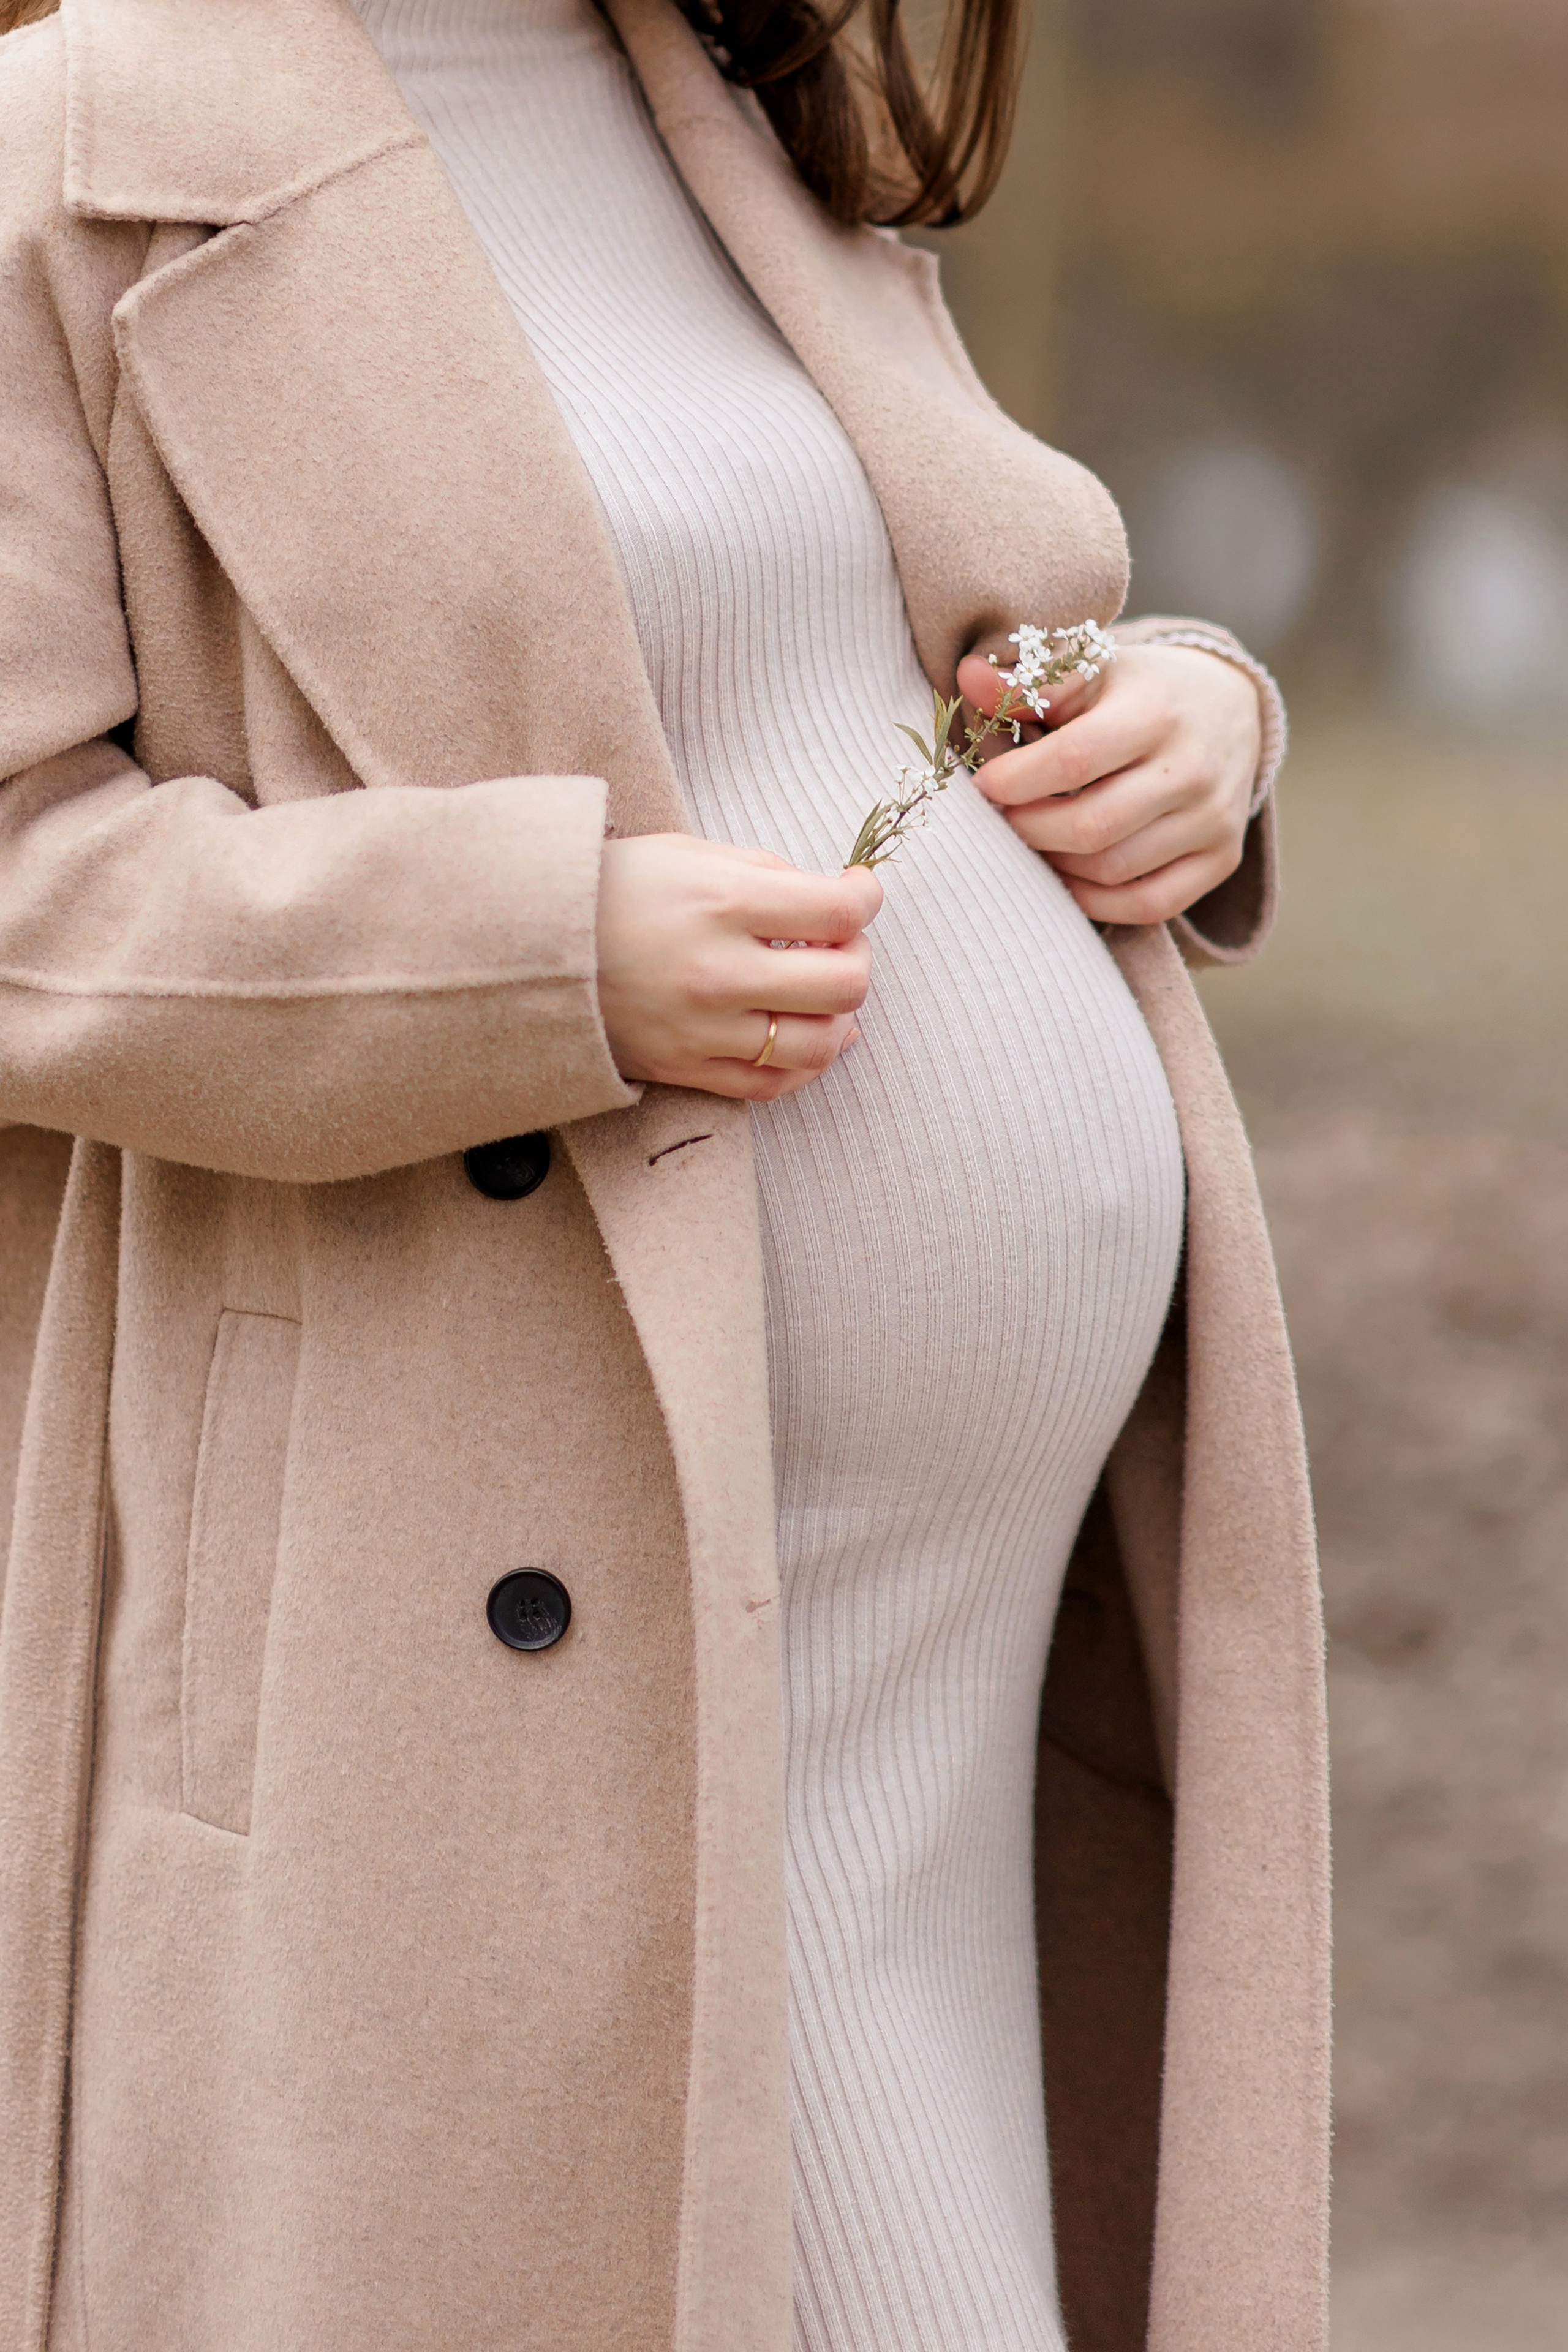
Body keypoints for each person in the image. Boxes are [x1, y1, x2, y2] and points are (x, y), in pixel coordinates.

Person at [0, 0, 1329, 2347]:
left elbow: (852, 620)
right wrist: (529, 951)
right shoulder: (72, 146)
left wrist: (1197, 714)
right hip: (498, 1603)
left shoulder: (721, 91)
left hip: (954, 1635)